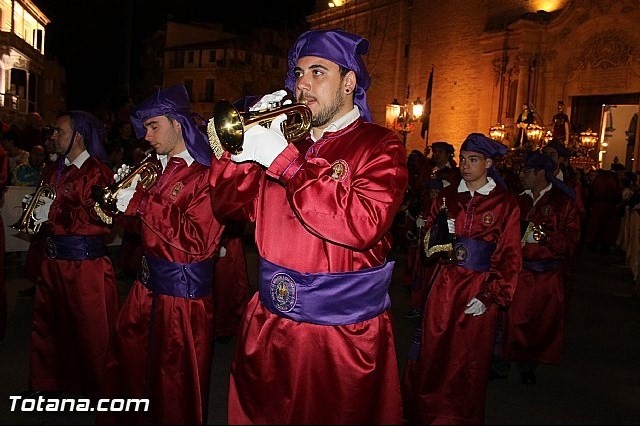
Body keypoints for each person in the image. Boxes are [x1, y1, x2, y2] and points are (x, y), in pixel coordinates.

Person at [208, 29, 408, 424]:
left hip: (339, 335)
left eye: (318, 72)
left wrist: (285, 162)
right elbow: (228, 207)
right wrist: (243, 152)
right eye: (298, 73)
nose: (302, 83)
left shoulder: (381, 146)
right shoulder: (285, 143)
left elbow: (361, 223)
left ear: (349, 82)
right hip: (268, 322)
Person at [98, 84, 224, 425]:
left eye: (154, 127)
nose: (147, 137)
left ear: (178, 123)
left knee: (175, 383)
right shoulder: (159, 170)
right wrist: (127, 206)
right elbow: (143, 235)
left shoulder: (206, 174)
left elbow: (198, 242)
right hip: (146, 288)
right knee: (133, 368)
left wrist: (140, 203)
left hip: (183, 301)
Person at [401, 133, 522, 425]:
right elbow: (428, 247)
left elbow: (510, 257)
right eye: (464, 159)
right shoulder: (447, 196)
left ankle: (459, 417)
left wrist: (490, 296)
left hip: (478, 288)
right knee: (434, 350)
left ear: (489, 164)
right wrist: (441, 232)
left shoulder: (504, 204)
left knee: (468, 359)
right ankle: (426, 413)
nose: (466, 166)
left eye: (474, 160)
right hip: (443, 284)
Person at [26, 110, 119, 399]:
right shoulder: (55, 169)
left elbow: (102, 220)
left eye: (59, 131)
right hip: (53, 262)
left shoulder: (97, 172)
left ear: (78, 136)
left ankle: (96, 389)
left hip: (83, 267)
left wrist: (51, 212)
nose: (53, 136)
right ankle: (49, 383)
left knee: (90, 332)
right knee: (50, 325)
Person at [503, 151, 580, 385]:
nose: (521, 175)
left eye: (526, 172)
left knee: (539, 321)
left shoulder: (562, 202)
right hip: (518, 270)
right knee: (511, 318)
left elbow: (571, 240)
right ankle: (504, 360)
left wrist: (543, 236)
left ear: (540, 173)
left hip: (546, 275)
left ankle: (529, 364)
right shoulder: (518, 199)